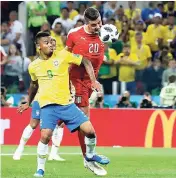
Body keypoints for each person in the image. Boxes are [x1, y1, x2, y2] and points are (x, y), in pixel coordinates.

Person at [18, 32, 109, 177]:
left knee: (90, 130)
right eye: (46, 42)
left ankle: (90, 155)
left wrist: (93, 80)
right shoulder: (33, 66)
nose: (50, 44)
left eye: (50, 42)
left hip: (67, 105)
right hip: (48, 107)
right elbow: (34, 84)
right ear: (38, 46)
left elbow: (85, 60)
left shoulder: (63, 55)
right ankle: (40, 169)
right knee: (45, 136)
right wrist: (28, 102)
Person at [66, 7, 108, 176]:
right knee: (84, 122)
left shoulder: (105, 33)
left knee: (75, 120)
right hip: (77, 82)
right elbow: (66, 58)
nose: (98, 26)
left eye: (99, 22)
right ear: (86, 23)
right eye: (94, 25)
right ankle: (88, 159)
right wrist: (66, 83)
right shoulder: (74, 34)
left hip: (91, 83)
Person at [13, 38, 65, 161]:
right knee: (33, 124)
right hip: (41, 98)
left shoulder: (60, 60)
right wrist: (28, 102)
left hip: (57, 99)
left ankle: (53, 153)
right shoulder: (37, 64)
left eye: (54, 45)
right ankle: (19, 148)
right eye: (49, 44)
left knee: (59, 125)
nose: (52, 46)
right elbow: (33, 84)